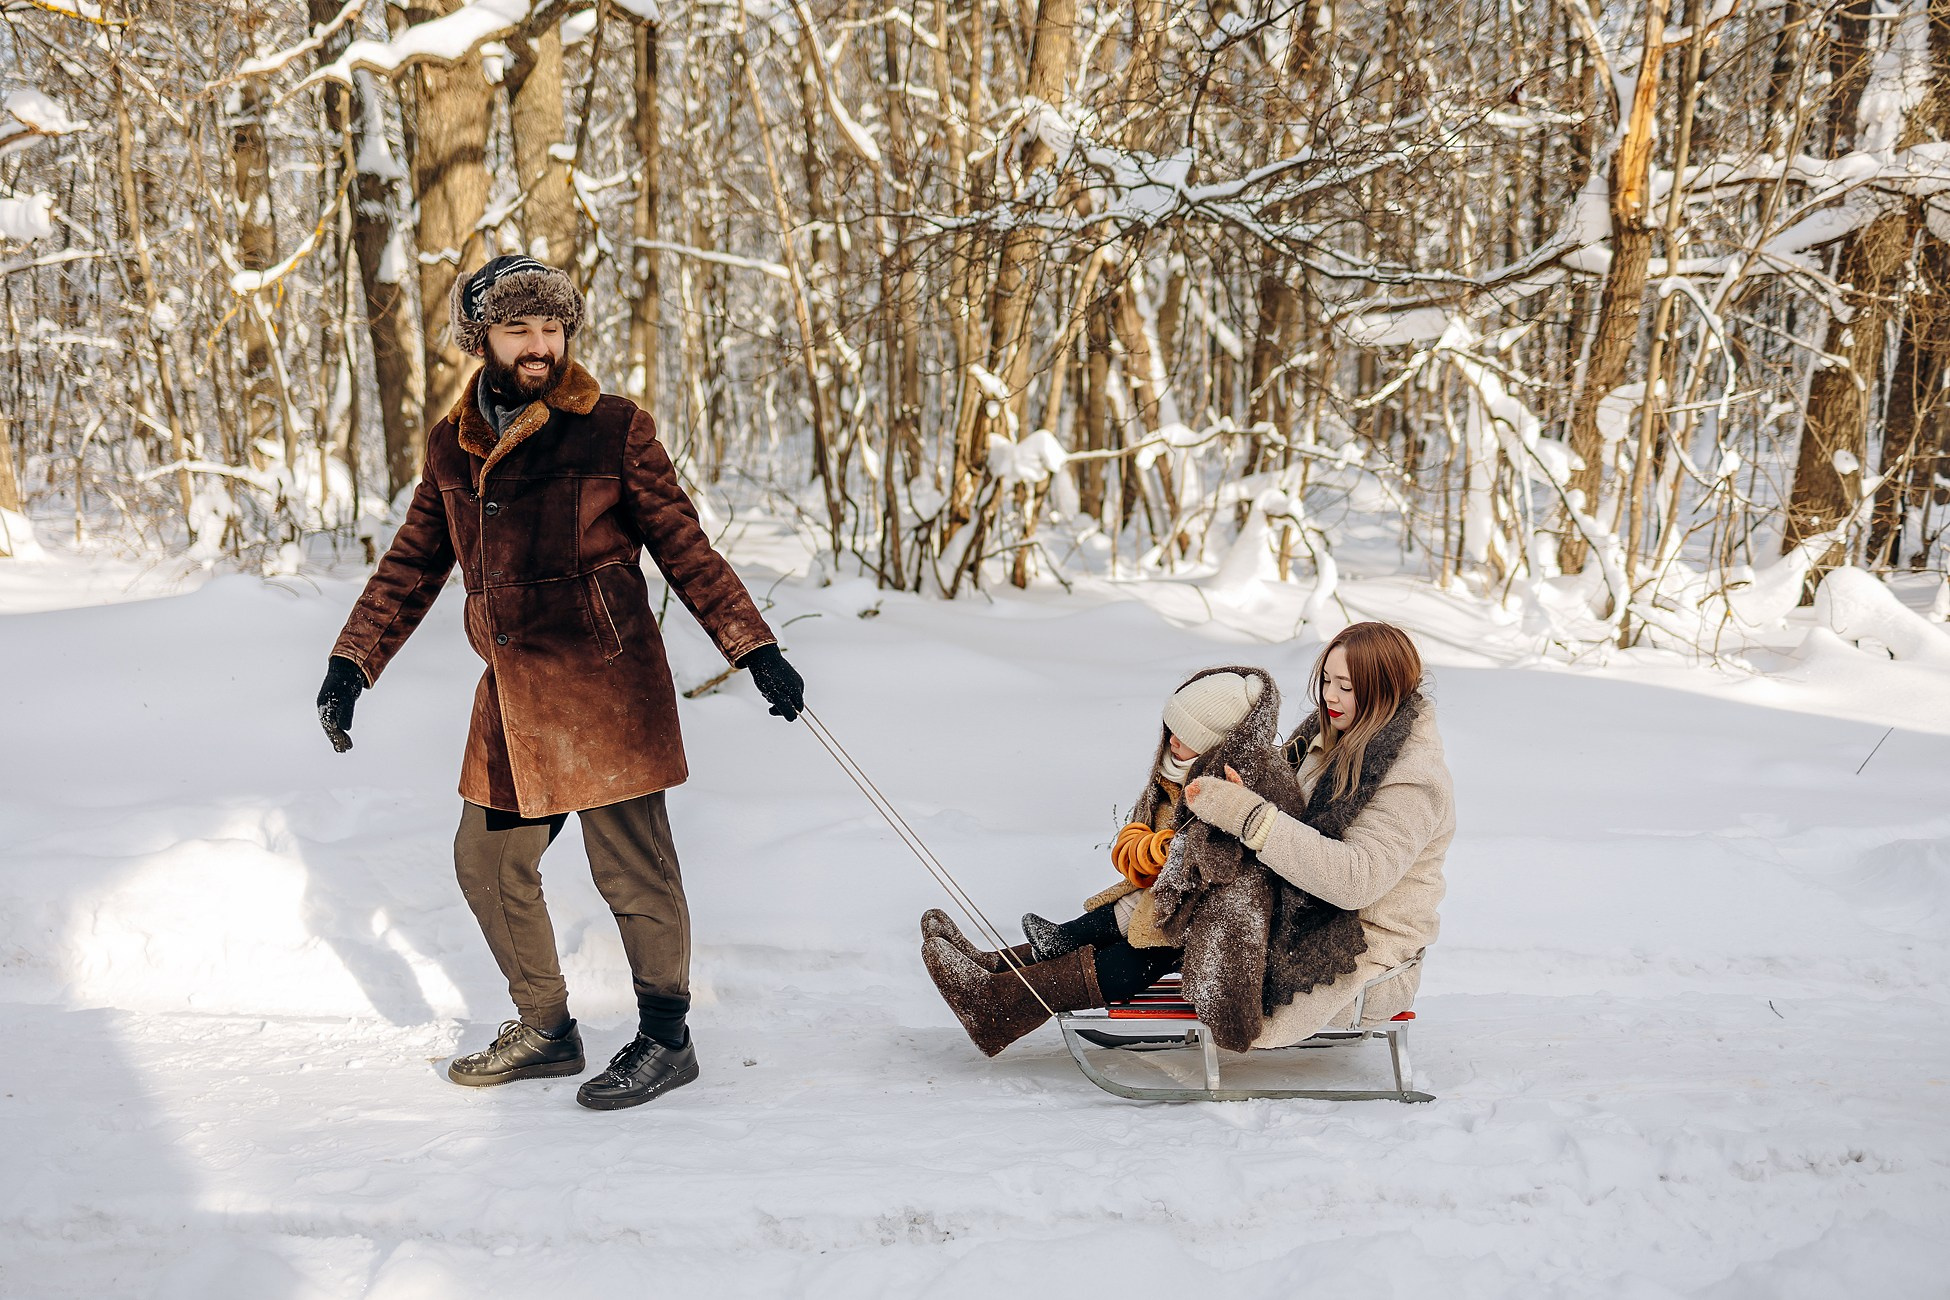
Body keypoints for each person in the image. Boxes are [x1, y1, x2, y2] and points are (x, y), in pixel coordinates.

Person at [313, 255, 805, 1110]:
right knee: (487, 861)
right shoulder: (452, 444)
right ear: (483, 341)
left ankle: (665, 1039)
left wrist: (752, 647)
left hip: (606, 690)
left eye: (552, 327)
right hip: (510, 700)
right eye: (519, 329)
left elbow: (685, 548)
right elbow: (409, 567)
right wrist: (351, 663)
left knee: (634, 873)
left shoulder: (613, 428)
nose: (540, 345)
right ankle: (546, 1029)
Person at [919, 666, 1360, 1055]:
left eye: (1186, 735)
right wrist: (1149, 849)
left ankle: (999, 1001)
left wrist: (1187, 851)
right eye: (1171, 727)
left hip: (1224, 923)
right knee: (1128, 935)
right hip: (1173, 906)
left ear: (1214, 744)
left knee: (1132, 955)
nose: (1171, 739)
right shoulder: (1175, 777)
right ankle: (996, 974)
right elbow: (1142, 833)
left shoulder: (1250, 779)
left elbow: (1251, 858)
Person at [1178, 621, 1453, 1047]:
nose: (1329, 696)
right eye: (1326, 680)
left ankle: (1066, 983)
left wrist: (1249, 816)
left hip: (1362, 951)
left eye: (1346, 685)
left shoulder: (1411, 779)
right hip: (1301, 914)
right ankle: (1060, 964)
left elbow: (1354, 880)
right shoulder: (1326, 736)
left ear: (1384, 689)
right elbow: (1290, 811)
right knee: (1182, 887)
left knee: (1201, 918)